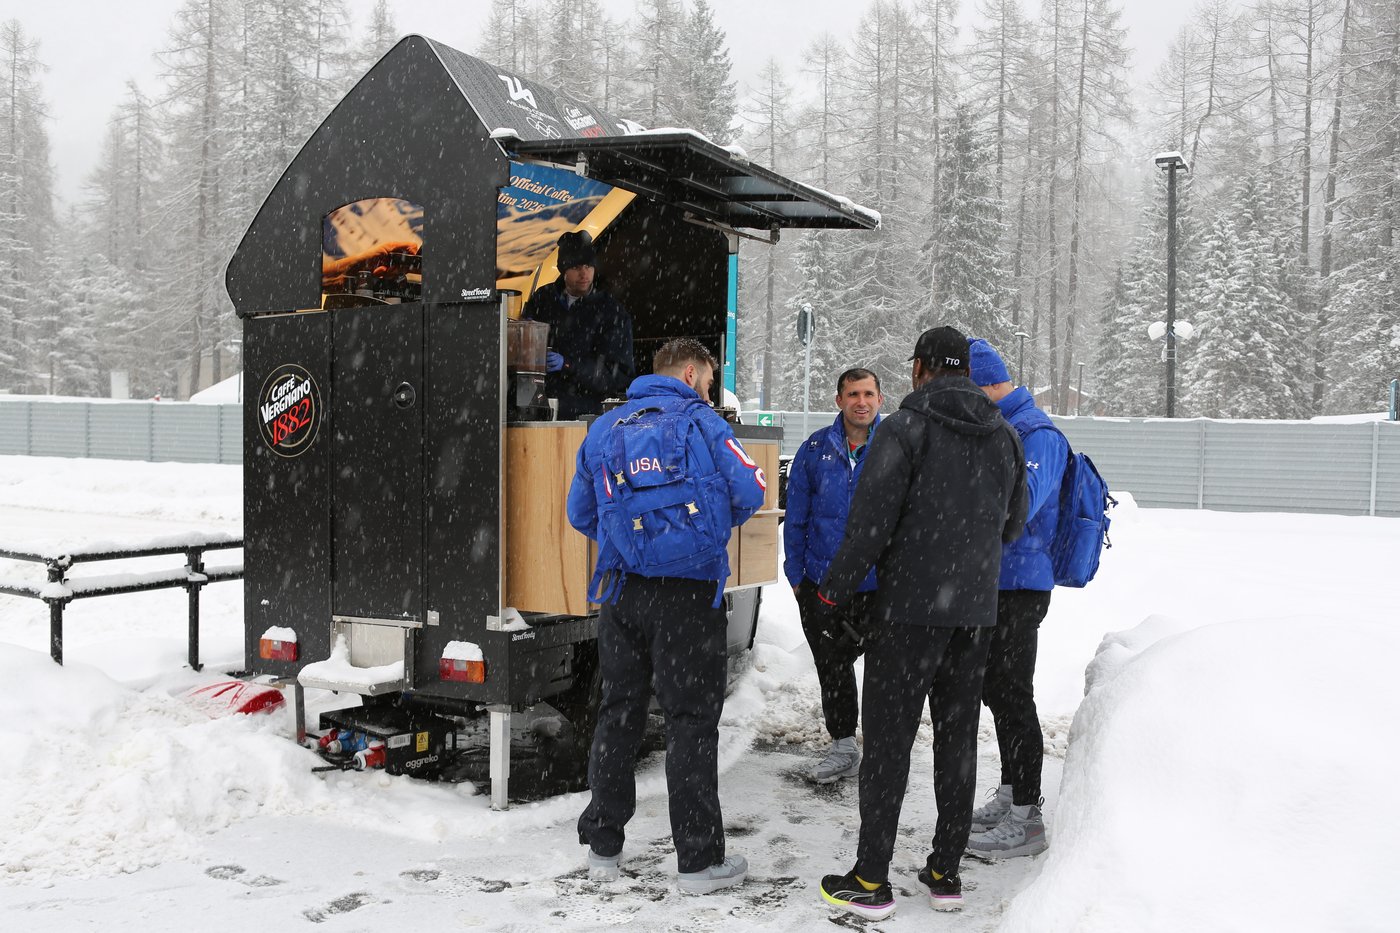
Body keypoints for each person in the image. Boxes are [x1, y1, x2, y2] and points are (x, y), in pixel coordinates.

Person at [813, 326, 1028, 920]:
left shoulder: (905, 429)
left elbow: (869, 525)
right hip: (974, 615)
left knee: (888, 744)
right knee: (957, 742)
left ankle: (870, 878)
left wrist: (831, 594)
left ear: (919, 368)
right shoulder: (1005, 435)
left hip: (907, 613)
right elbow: (1014, 525)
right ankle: (945, 873)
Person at [566, 337, 767, 895]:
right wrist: (695, 535)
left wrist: (632, 541)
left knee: (618, 712)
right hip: (690, 596)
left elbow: (580, 512)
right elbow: (751, 490)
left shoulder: (604, 429)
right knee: (690, 722)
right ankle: (698, 862)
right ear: (689, 373)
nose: (708, 390)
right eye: (708, 380)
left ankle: (603, 845)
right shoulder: (705, 425)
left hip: (624, 591)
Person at [963, 338, 1068, 860]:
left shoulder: (1037, 433)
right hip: (997, 583)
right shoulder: (1004, 426)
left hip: (1021, 585)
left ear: (984, 387)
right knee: (997, 692)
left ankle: (1027, 817)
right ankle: (1010, 795)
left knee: (1013, 696)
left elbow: (1017, 505)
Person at [783, 368, 884, 783]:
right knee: (833, 667)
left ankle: (883, 750)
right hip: (822, 584)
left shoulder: (895, 446)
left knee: (884, 671)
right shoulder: (814, 449)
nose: (862, 402)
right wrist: (796, 576)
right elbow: (796, 517)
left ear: (880, 399)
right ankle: (843, 746)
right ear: (839, 400)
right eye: (853, 394)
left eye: (869, 394)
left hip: (878, 584)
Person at [523, 230, 634, 420]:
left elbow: (619, 375)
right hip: (539, 410)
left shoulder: (611, 311)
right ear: (563, 269)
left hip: (587, 415)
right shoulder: (542, 299)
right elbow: (523, 345)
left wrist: (568, 364)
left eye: (588, 266)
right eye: (576, 267)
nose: (584, 274)